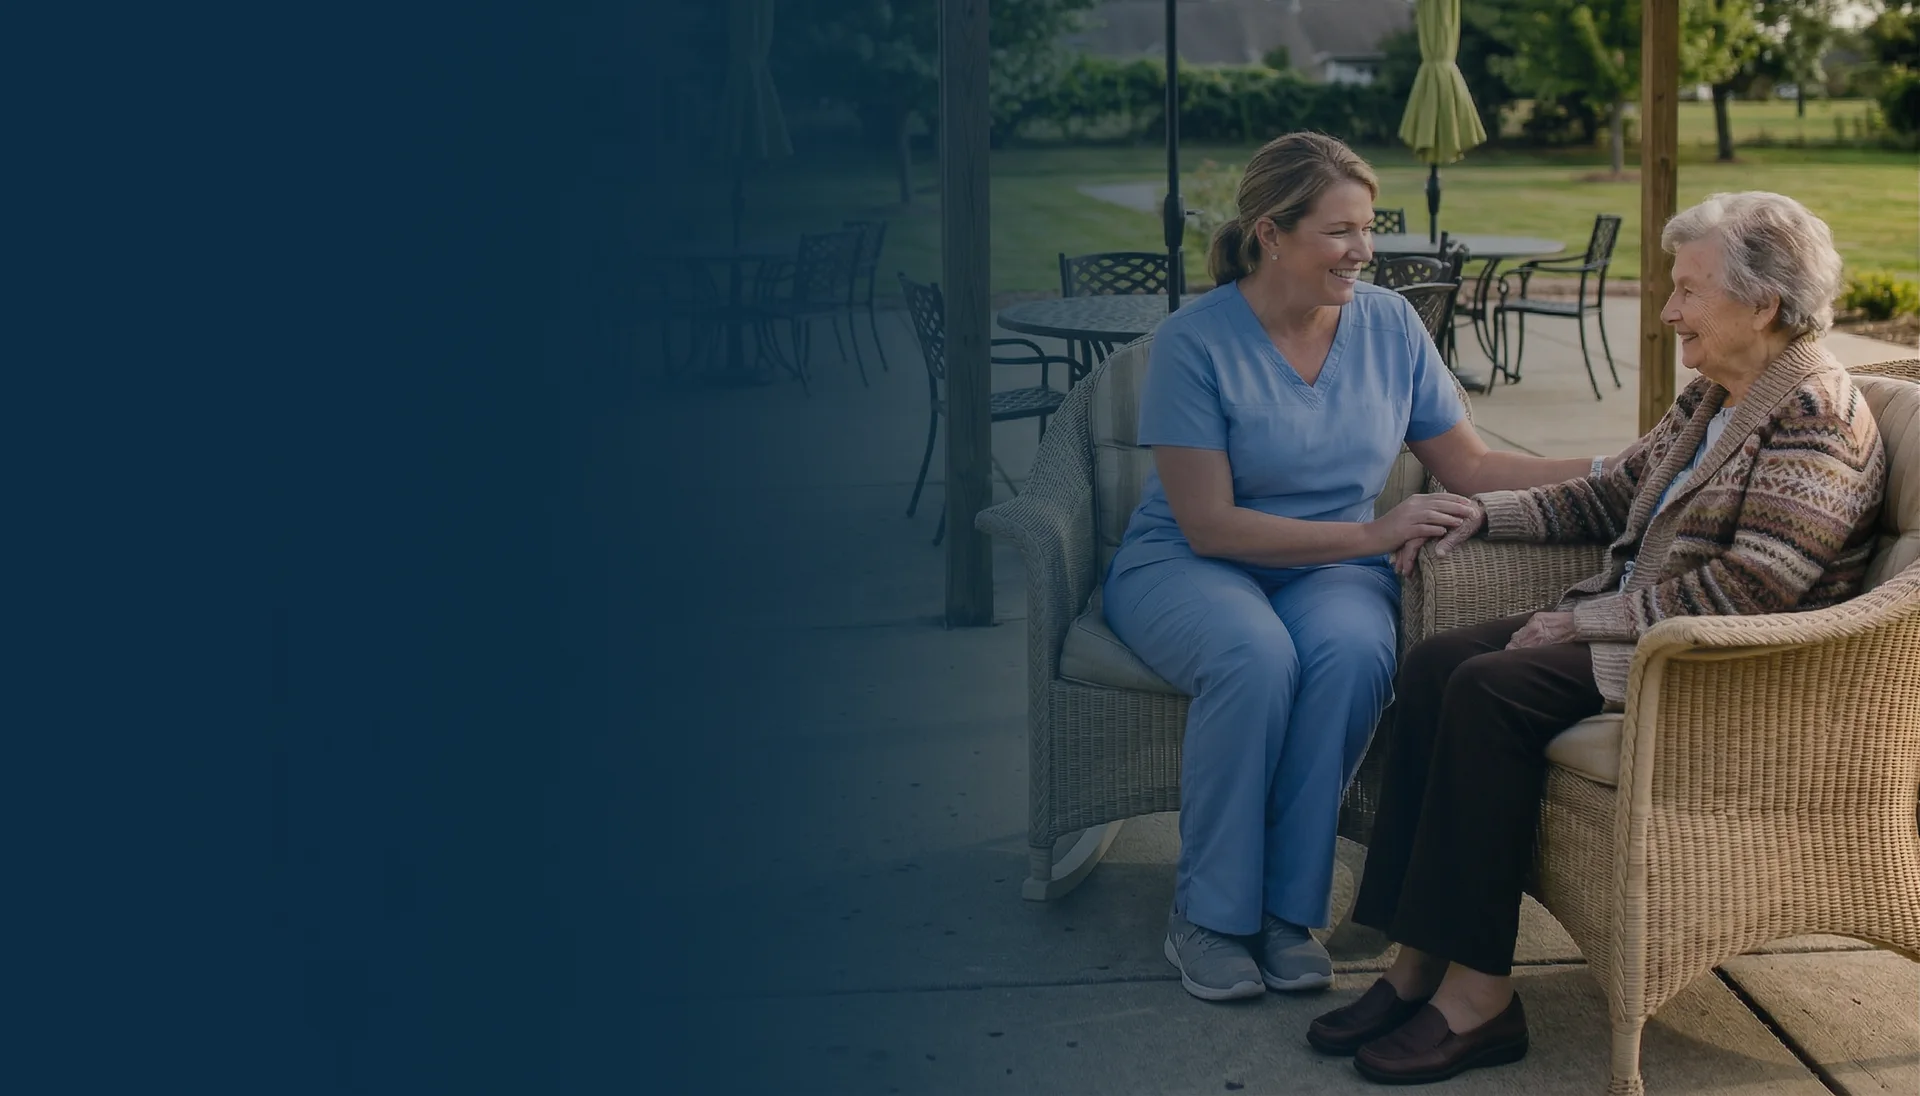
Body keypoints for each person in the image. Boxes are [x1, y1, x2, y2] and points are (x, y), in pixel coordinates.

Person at [1308, 190, 1887, 1085]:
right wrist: (1476, 512)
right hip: (1645, 636)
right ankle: (1416, 958)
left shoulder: (1813, 412)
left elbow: (1754, 590)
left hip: (1719, 668)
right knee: (1433, 665)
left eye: (1689, 291)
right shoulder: (1714, 397)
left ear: (1764, 304)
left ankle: (1480, 1002)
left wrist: (1585, 619)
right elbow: (1609, 495)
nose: (1668, 311)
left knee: (1488, 689)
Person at [1102, 132, 1609, 1003]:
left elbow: (1473, 469)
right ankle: (1210, 913)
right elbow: (1212, 524)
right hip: (1189, 565)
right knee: (1252, 657)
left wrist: (1620, 469)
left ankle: (1284, 912)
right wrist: (1375, 536)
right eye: (1341, 232)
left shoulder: (1389, 324)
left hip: (1329, 568)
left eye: (1367, 228)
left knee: (1352, 656)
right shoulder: (1193, 341)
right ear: (1271, 232)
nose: (1364, 251)